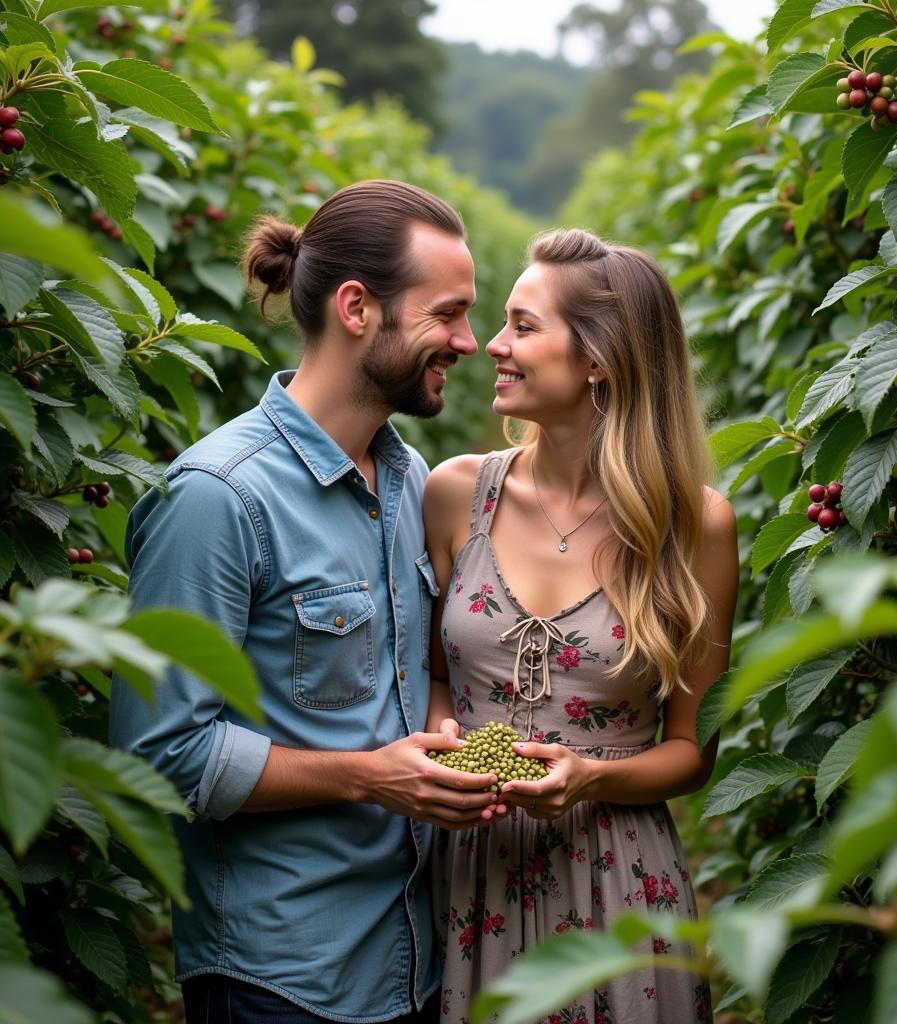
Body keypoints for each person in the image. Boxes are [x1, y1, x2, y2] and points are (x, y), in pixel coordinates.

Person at [110, 180, 502, 1024]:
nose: (469, 341)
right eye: (449, 313)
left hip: (416, 961)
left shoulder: (407, 483)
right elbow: (159, 754)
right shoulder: (219, 499)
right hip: (278, 977)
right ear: (358, 307)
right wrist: (371, 778)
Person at [423, 227, 739, 1023]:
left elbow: (690, 750)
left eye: (523, 327)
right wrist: (449, 747)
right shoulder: (456, 494)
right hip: (471, 873)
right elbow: (429, 675)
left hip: (618, 881)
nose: (493, 345)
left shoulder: (692, 525)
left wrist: (590, 776)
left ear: (599, 358)